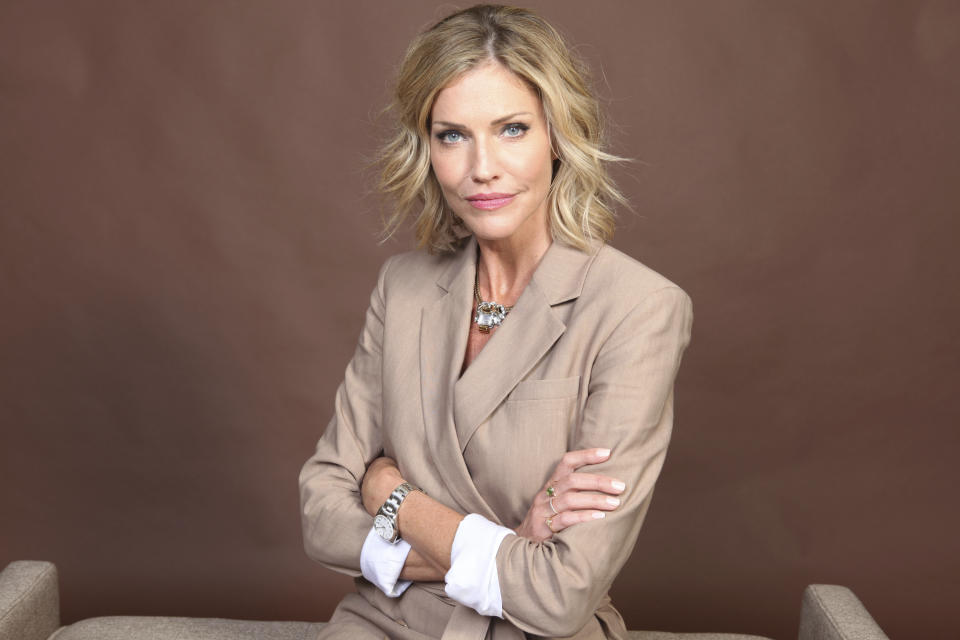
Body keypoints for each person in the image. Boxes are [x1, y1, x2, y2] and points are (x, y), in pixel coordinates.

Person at [298, 4, 694, 639]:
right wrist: (507, 545)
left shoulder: (639, 308)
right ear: (425, 148)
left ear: (558, 136)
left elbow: (559, 593)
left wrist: (388, 496)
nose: (481, 166)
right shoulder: (403, 287)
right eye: (452, 134)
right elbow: (321, 511)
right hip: (382, 622)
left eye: (511, 129)